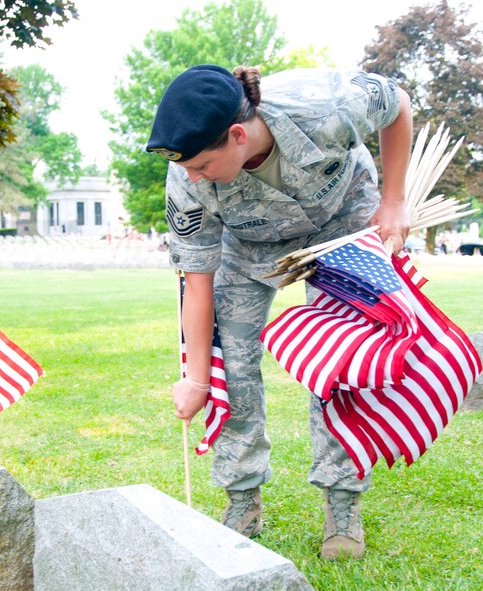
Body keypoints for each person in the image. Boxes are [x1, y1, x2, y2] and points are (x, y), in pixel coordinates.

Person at [146, 64, 412, 559]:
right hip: (249, 249)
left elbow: (396, 102)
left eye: (202, 165)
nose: (191, 176)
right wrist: (199, 380)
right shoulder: (186, 179)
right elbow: (197, 285)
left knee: (343, 364)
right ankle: (241, 499)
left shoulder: (327, 105)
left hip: (342, 225)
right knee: (237, 371)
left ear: (237, 134)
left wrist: (394, 200)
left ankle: (343, 503)